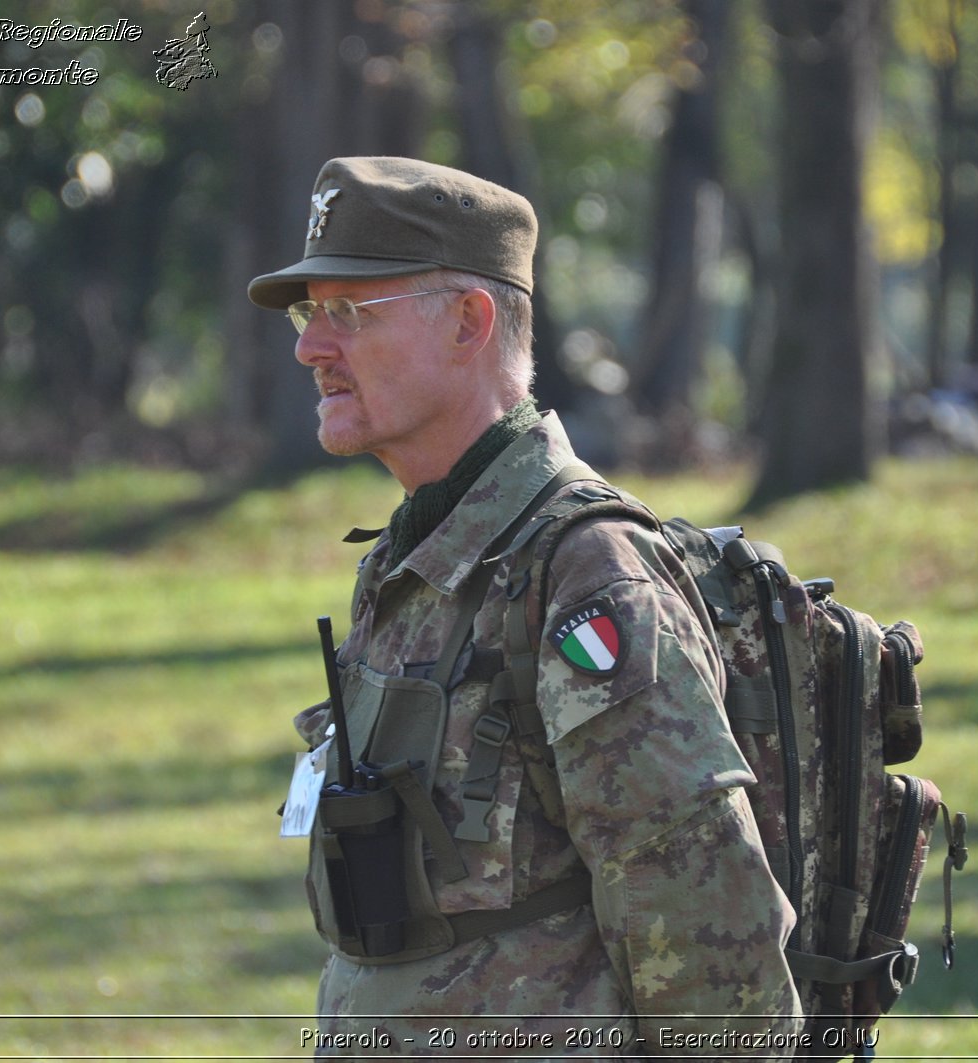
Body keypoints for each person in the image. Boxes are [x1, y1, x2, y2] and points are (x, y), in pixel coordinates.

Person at [249, 156, 801, 1057]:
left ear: (471, 321)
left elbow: (707, 933)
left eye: (350, 311)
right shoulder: (416, 558)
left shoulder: (585, 571)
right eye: (313, 313)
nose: (312, 346)